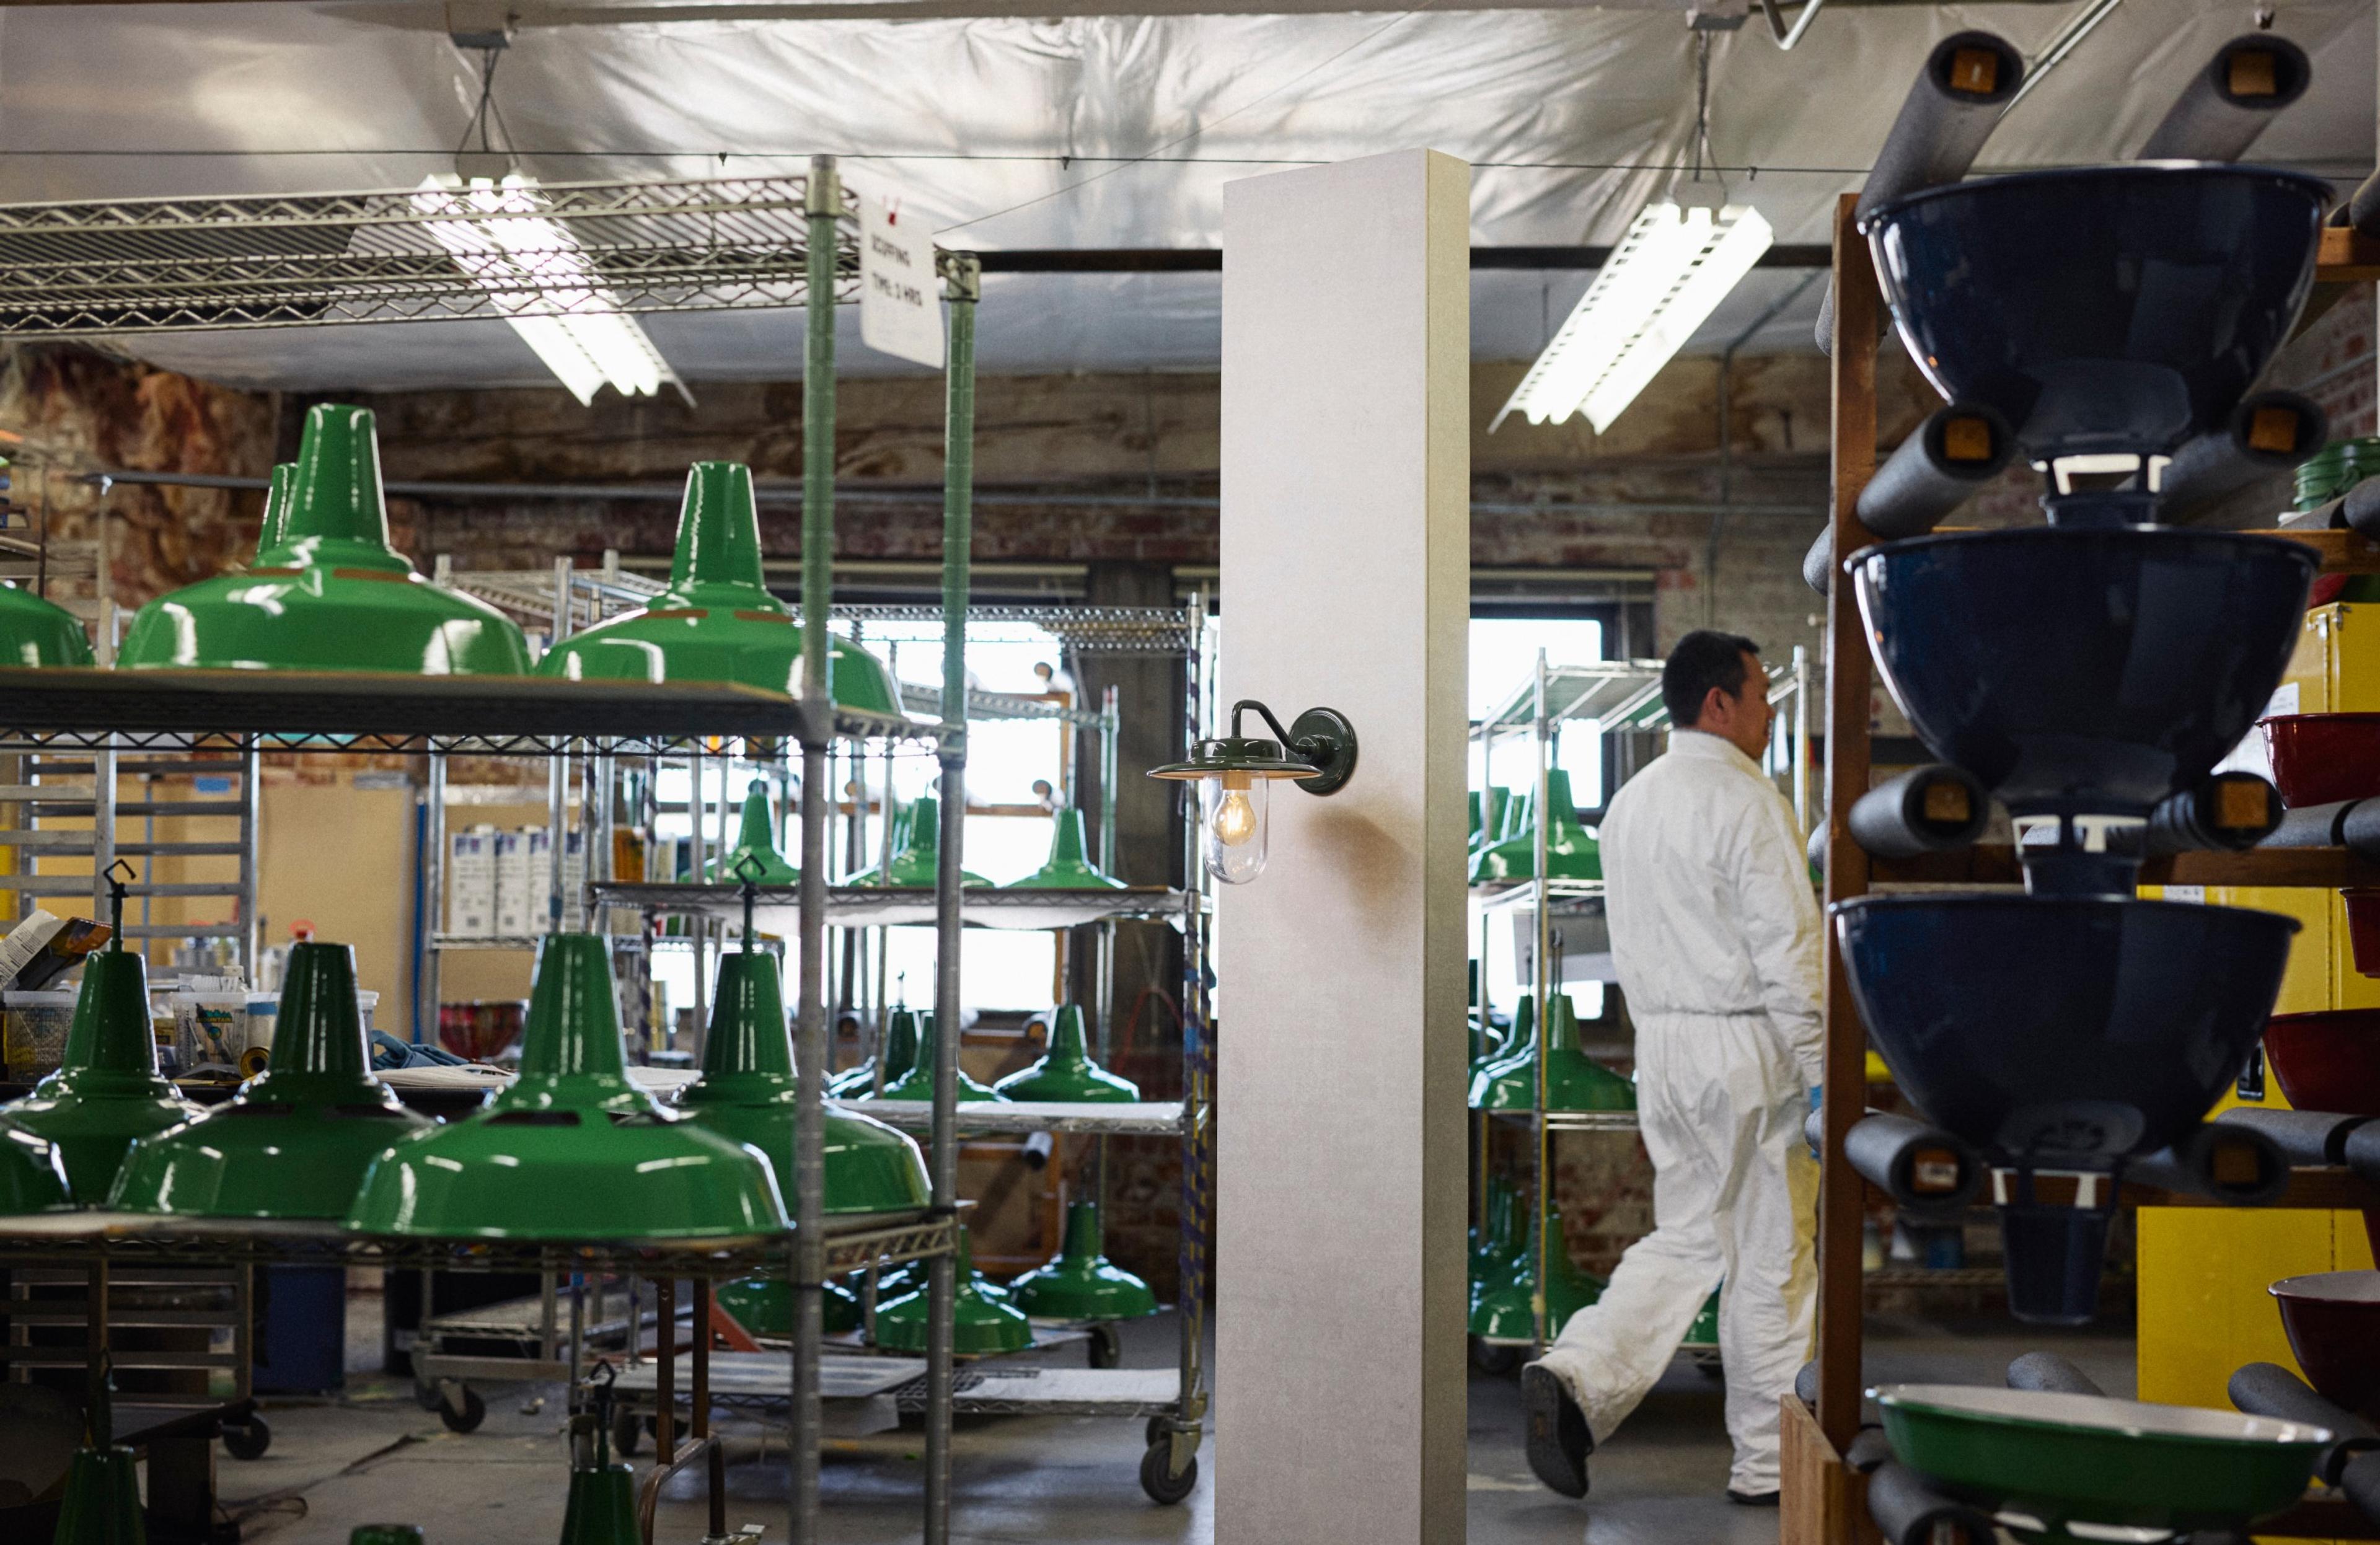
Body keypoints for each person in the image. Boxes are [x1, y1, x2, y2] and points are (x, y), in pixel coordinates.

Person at [1520, 629, 1821, 1507]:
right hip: (1745, 1047)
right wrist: (1824, 1076)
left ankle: (1577, 1375)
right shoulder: (1748, 801)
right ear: (1718, 703)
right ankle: (1768, 1463)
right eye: (1761, 695)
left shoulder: (1631, 802)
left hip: (1665, 1049)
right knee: (1770, 1256)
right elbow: (1791, 954)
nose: (1769, 712)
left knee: (1692, 1235)